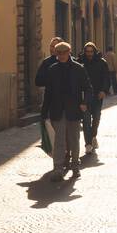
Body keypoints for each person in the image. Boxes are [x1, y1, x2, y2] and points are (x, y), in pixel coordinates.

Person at [37, 41, 91, 180]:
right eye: (58, 53)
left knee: (74, 139)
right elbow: (48, 92)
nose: (61, 56)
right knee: (59, 141)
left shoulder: (79, 68)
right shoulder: (52, 69)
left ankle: (75, 166)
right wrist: (44, 112)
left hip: (74, 109)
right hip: (57, 110)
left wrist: (84, 103)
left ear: (69, 52)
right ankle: (58, 168)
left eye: (63, 53)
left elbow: (88, 88)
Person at [79, 42, 111, 153]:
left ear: (94, 51)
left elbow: (106, 78)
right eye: (87, 51)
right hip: (85, 96)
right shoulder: (80, 62)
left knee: (96, 118)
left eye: (91, 51)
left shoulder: (102, 63)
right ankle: (88, 143)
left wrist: (104, 90)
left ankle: (93, 136)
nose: (89, 54)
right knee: (86, 120)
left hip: (98, 95)